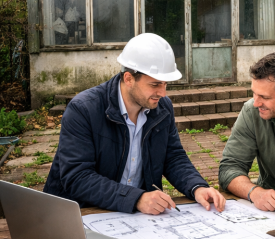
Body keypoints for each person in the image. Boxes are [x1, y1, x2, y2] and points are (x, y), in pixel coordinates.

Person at [44, 33, 226, 215]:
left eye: (165, 84)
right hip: (81, 215)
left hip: (134, 219)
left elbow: (173, 157)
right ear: (129, 78)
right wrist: (136, 198)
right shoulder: (83, 110)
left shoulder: (163, 108)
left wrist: (196, 187)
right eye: (155, 84)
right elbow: (77, 177)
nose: (162, 93)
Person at [218, 53, 275, 212]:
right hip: (274, 213)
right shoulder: (251, 112)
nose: (256, 103)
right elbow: (230, 167)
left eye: (265, 97)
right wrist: (255, 192)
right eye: (254, 93)